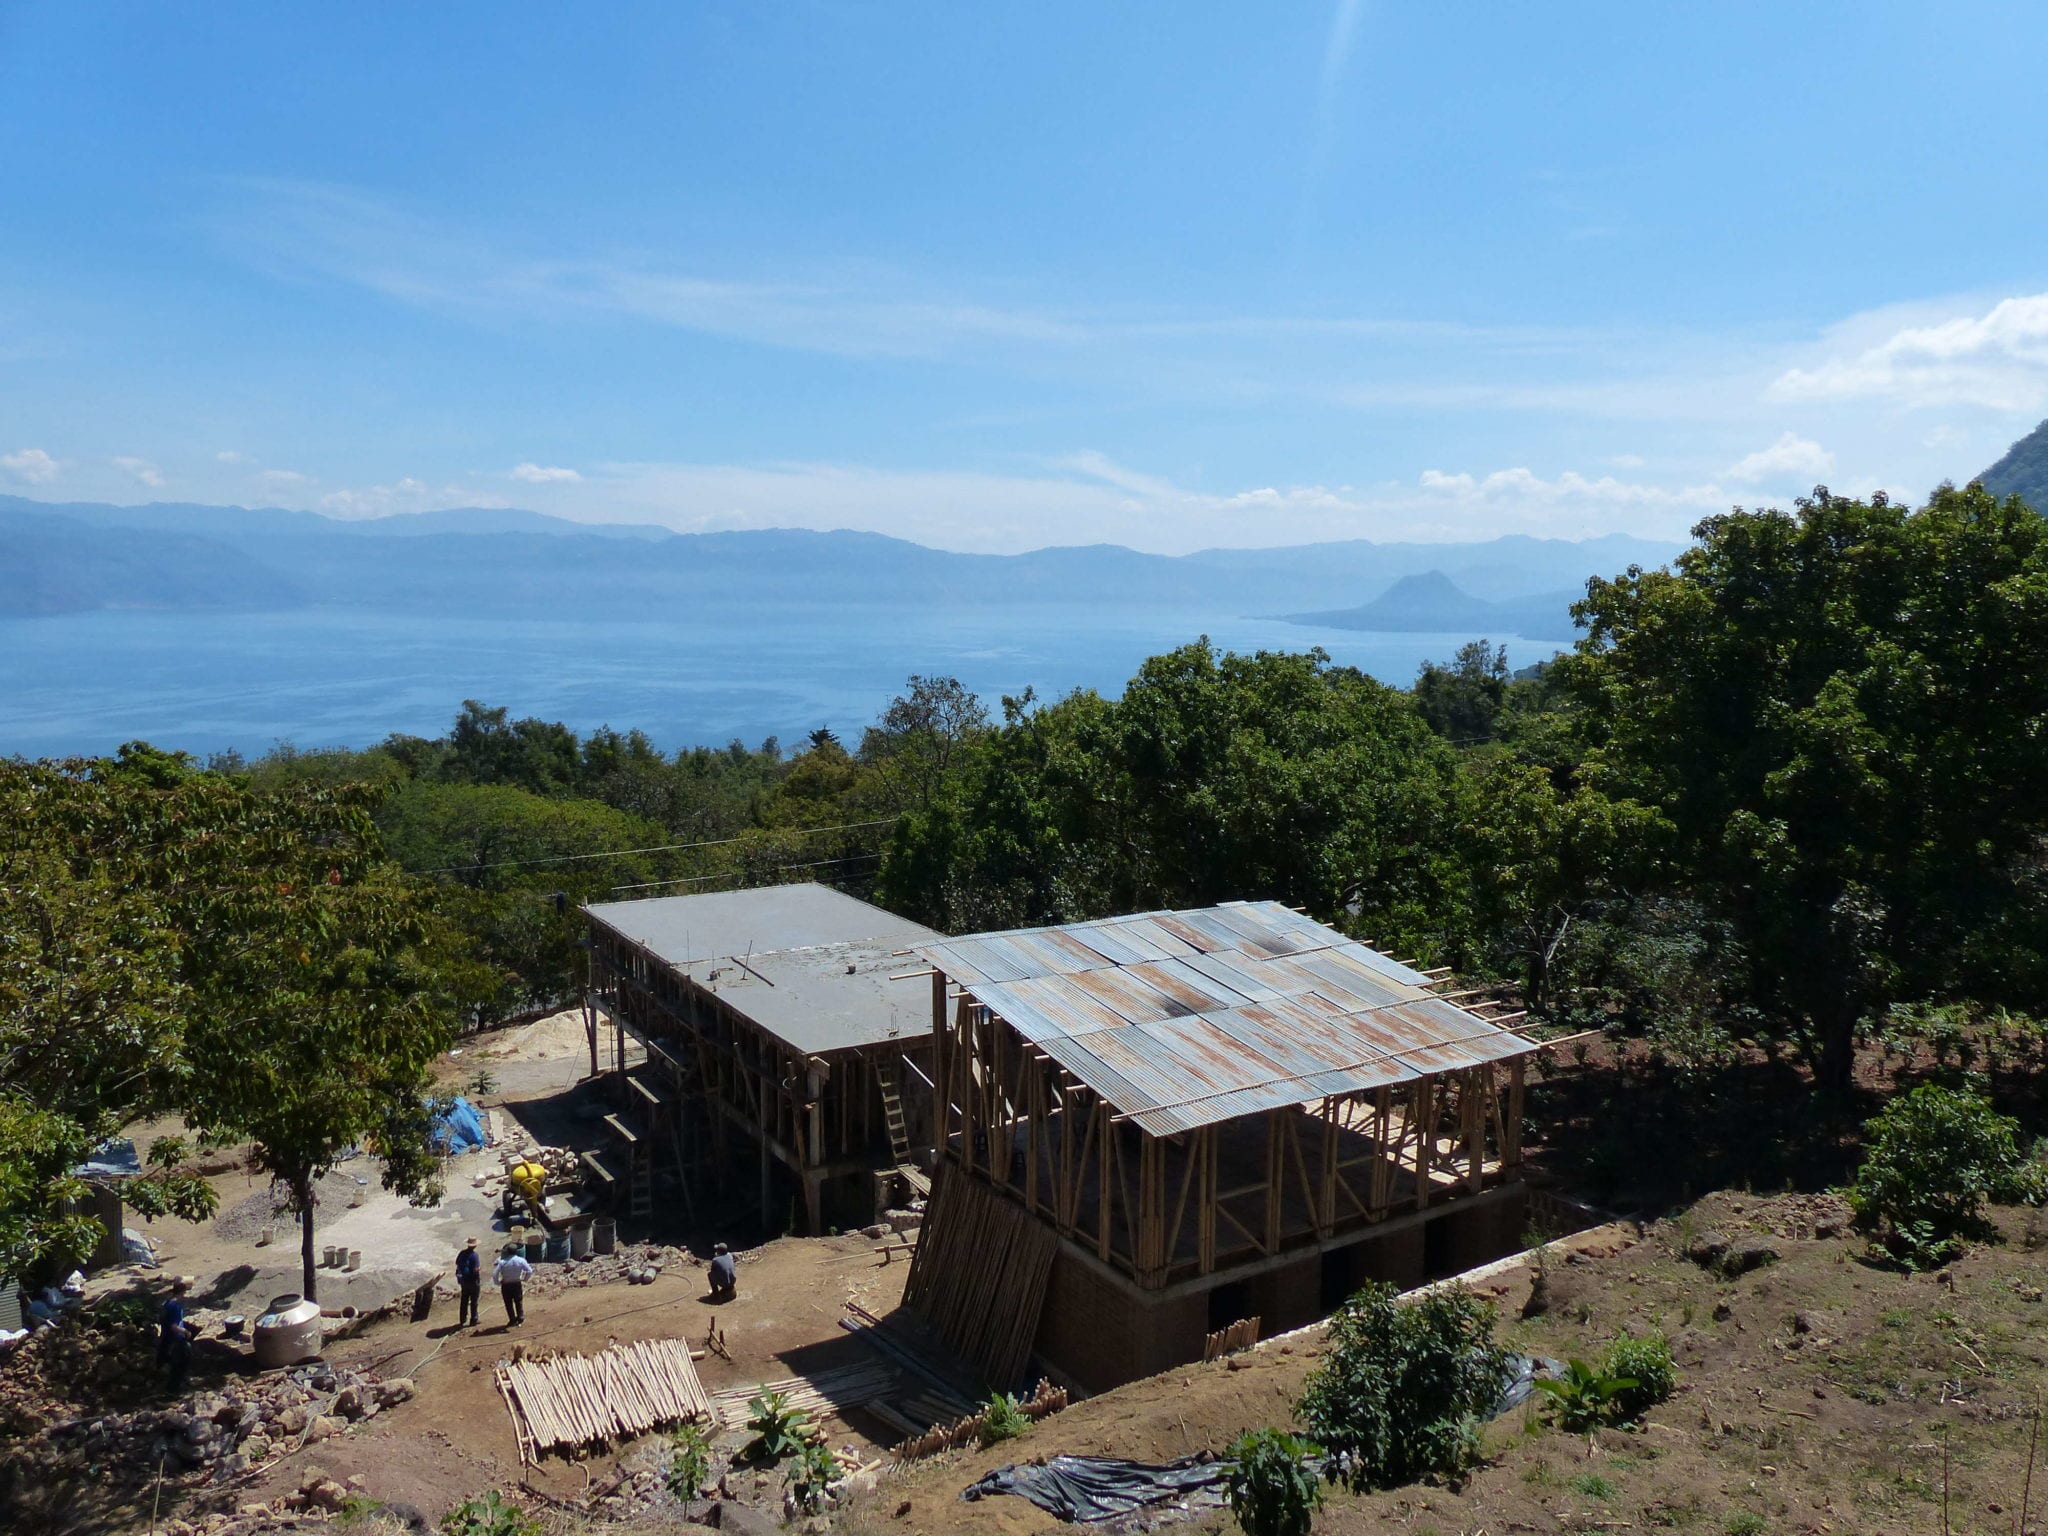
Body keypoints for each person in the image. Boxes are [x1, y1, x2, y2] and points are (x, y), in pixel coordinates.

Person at [158, 1276, 197, 1392]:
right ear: (183, 1291)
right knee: (181, 1363)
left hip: (166, 1339)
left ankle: (176, 1387)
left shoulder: (167, 1303)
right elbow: (174, 1326)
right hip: (176, 1340)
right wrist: (186, 1332)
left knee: (175, 1365)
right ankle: (173, 1391)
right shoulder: (175, 1306)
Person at [492, 1243, 533, 1326]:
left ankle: (512, 1320)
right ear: (516, 1251)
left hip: (506, 1284)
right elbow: (529, 1271)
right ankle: (520, 1317)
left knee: (508, 1303)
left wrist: (498, 1282)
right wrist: (524, 1279)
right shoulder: (521, 1260)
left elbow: (494, 1274)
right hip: (517, 1283)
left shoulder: (502, 1262)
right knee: (518, 1301)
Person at [454, 1236, 482, 1327]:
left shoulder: (462, 1253)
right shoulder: (474, 1255)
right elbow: (475, 1270)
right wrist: (479, 1269)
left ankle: (462, 1319)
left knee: (464, 1300)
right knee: (474, 1301)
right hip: (473, 1281)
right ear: (475, 1246)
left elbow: (457, 1263)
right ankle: (474, 1319)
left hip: (464, 1281)